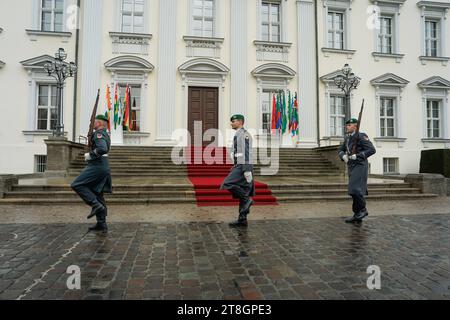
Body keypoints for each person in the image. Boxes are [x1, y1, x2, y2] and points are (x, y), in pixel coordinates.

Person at [71, 114, 112, 232]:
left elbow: (103, 148)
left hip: (97, 165)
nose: (92, 124)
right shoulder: (105, 134)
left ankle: (95, 205)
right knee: (98, 193)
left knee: (77, 184)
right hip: (103, 165)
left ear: (99, 123)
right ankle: (101, 224)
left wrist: (89, 155)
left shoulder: (99, 134)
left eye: (94, 122)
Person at [338, 118, 376, 223]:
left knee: (354, 189)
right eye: (347, 125)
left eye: (349, 125)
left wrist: (358, 156)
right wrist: (343, 156)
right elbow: (340, 149)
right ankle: (357, 213)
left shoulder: (361, 136)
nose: (347, 127)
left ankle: (363, 210)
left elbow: (372, 150)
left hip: (360, 164)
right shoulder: (348, 138)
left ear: (355, 126)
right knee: (354, 191)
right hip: (351, 166)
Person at [221, 114, 255, 227]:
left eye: (233, 121)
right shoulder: (239, 134)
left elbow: (247, 152)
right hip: (239, 165)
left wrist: (247, 169)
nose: (231, 123)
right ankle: (242, 220)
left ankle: (246, 200)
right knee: (244, 190)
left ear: (240, 122)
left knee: (227, 183)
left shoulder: (244, 135)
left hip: (243, 166)